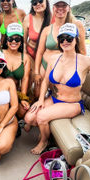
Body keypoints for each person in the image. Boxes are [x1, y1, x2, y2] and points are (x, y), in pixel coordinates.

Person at [24, 23, 90, 155]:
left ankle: (44, 141)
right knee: (29, 118)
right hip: (55, 98)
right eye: (62, 39)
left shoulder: (85, 61)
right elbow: (45, 81)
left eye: (69, 38)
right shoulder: (54, 58)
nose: (65, 41)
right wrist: (41, 100)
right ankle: (47, 131)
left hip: (73, 104)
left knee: (41, 116)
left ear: (76, 39)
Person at [34, 0, 86, 94]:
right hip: (45, 65)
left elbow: (82, 52)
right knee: (37, 93)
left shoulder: (77, 25)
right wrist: (36, 72)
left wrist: (78, 70)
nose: (60, 8)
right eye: (57, 5)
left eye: (64, 5)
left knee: (58, 94)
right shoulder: (47, 29)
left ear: (69, 8)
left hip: (65, 68)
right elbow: (39, 52)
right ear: (53, 8)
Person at [23, 0, 51, 97]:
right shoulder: (28, 18)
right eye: (34, 2)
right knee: (30, 80)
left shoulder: (52, 18)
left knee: (38, 91)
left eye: (40, 1)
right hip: (31, 53)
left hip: (45, 55)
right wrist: (25, 57)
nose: (38, 4)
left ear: (46, 1)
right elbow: (24, 41)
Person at [2, 23, 31, 118]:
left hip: (16, 93)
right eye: (10, 38)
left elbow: (25, 79)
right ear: (6, 40)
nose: (14, 41)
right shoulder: (0, 53)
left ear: (21, 41)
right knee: (3, 108)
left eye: (17, 39)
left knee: (22, 111)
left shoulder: (25, 58)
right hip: (0, 91)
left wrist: (23, 98)